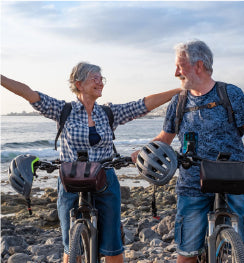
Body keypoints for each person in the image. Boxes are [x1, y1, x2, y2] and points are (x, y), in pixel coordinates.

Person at [1, 62, 182, 263]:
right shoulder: (63, 110)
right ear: (79, 84)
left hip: (104, 178)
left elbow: (142, 105)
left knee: (113, 244)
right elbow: (29, 93)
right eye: (94, 78)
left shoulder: (108, 113)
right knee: (71, 245)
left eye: (101, 78)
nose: (100, 82)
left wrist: (179, 90)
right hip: (70, 180)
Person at [132, 40, 244, 263]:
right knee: (186, 255)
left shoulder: (230, 94)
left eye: (179, 66)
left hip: (233, 178)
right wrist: (144, 152)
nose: (175, 73)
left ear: (198, 65)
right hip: (192, 182)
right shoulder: (179, 101)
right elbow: (165, 137)